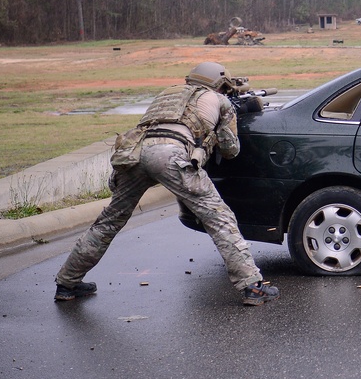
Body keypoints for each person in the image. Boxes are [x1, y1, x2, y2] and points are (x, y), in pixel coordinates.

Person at [54, 62, 280, 306]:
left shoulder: (168, 94)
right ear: (221, 84)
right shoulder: (219, 100)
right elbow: (230, 150)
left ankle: (67, 283)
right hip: (170, 155)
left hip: (133, 156)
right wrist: (232, 116)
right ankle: (252, 286)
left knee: (108, 221)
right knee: (220, 219)